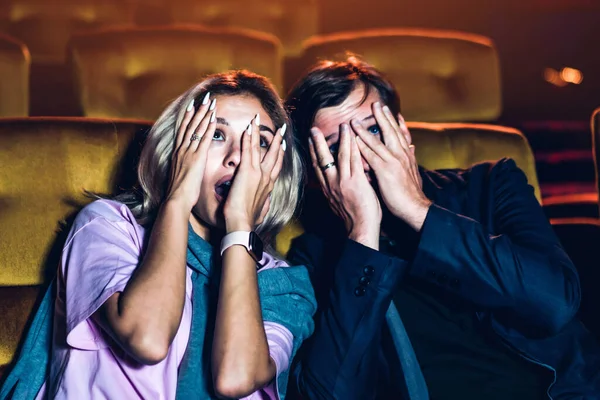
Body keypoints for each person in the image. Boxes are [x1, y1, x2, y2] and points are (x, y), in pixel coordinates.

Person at [284, 57, 600, 399]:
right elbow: (328, 394)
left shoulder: (492, 186)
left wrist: (417, 210)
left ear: (402, 131)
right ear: (318, 172)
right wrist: (363, 235)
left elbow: (553, 303)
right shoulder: (314, 255)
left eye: (373, 131)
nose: (364, 155)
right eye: (337, 148)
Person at [1, 70, 316, 400]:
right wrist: (178, 197)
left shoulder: (286, 286)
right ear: (178, 152)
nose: (238, 157)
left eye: (260, 142)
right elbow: (146, 338)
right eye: (216, 135)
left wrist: (239, 228)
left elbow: (235, 379)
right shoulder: (108, 226)